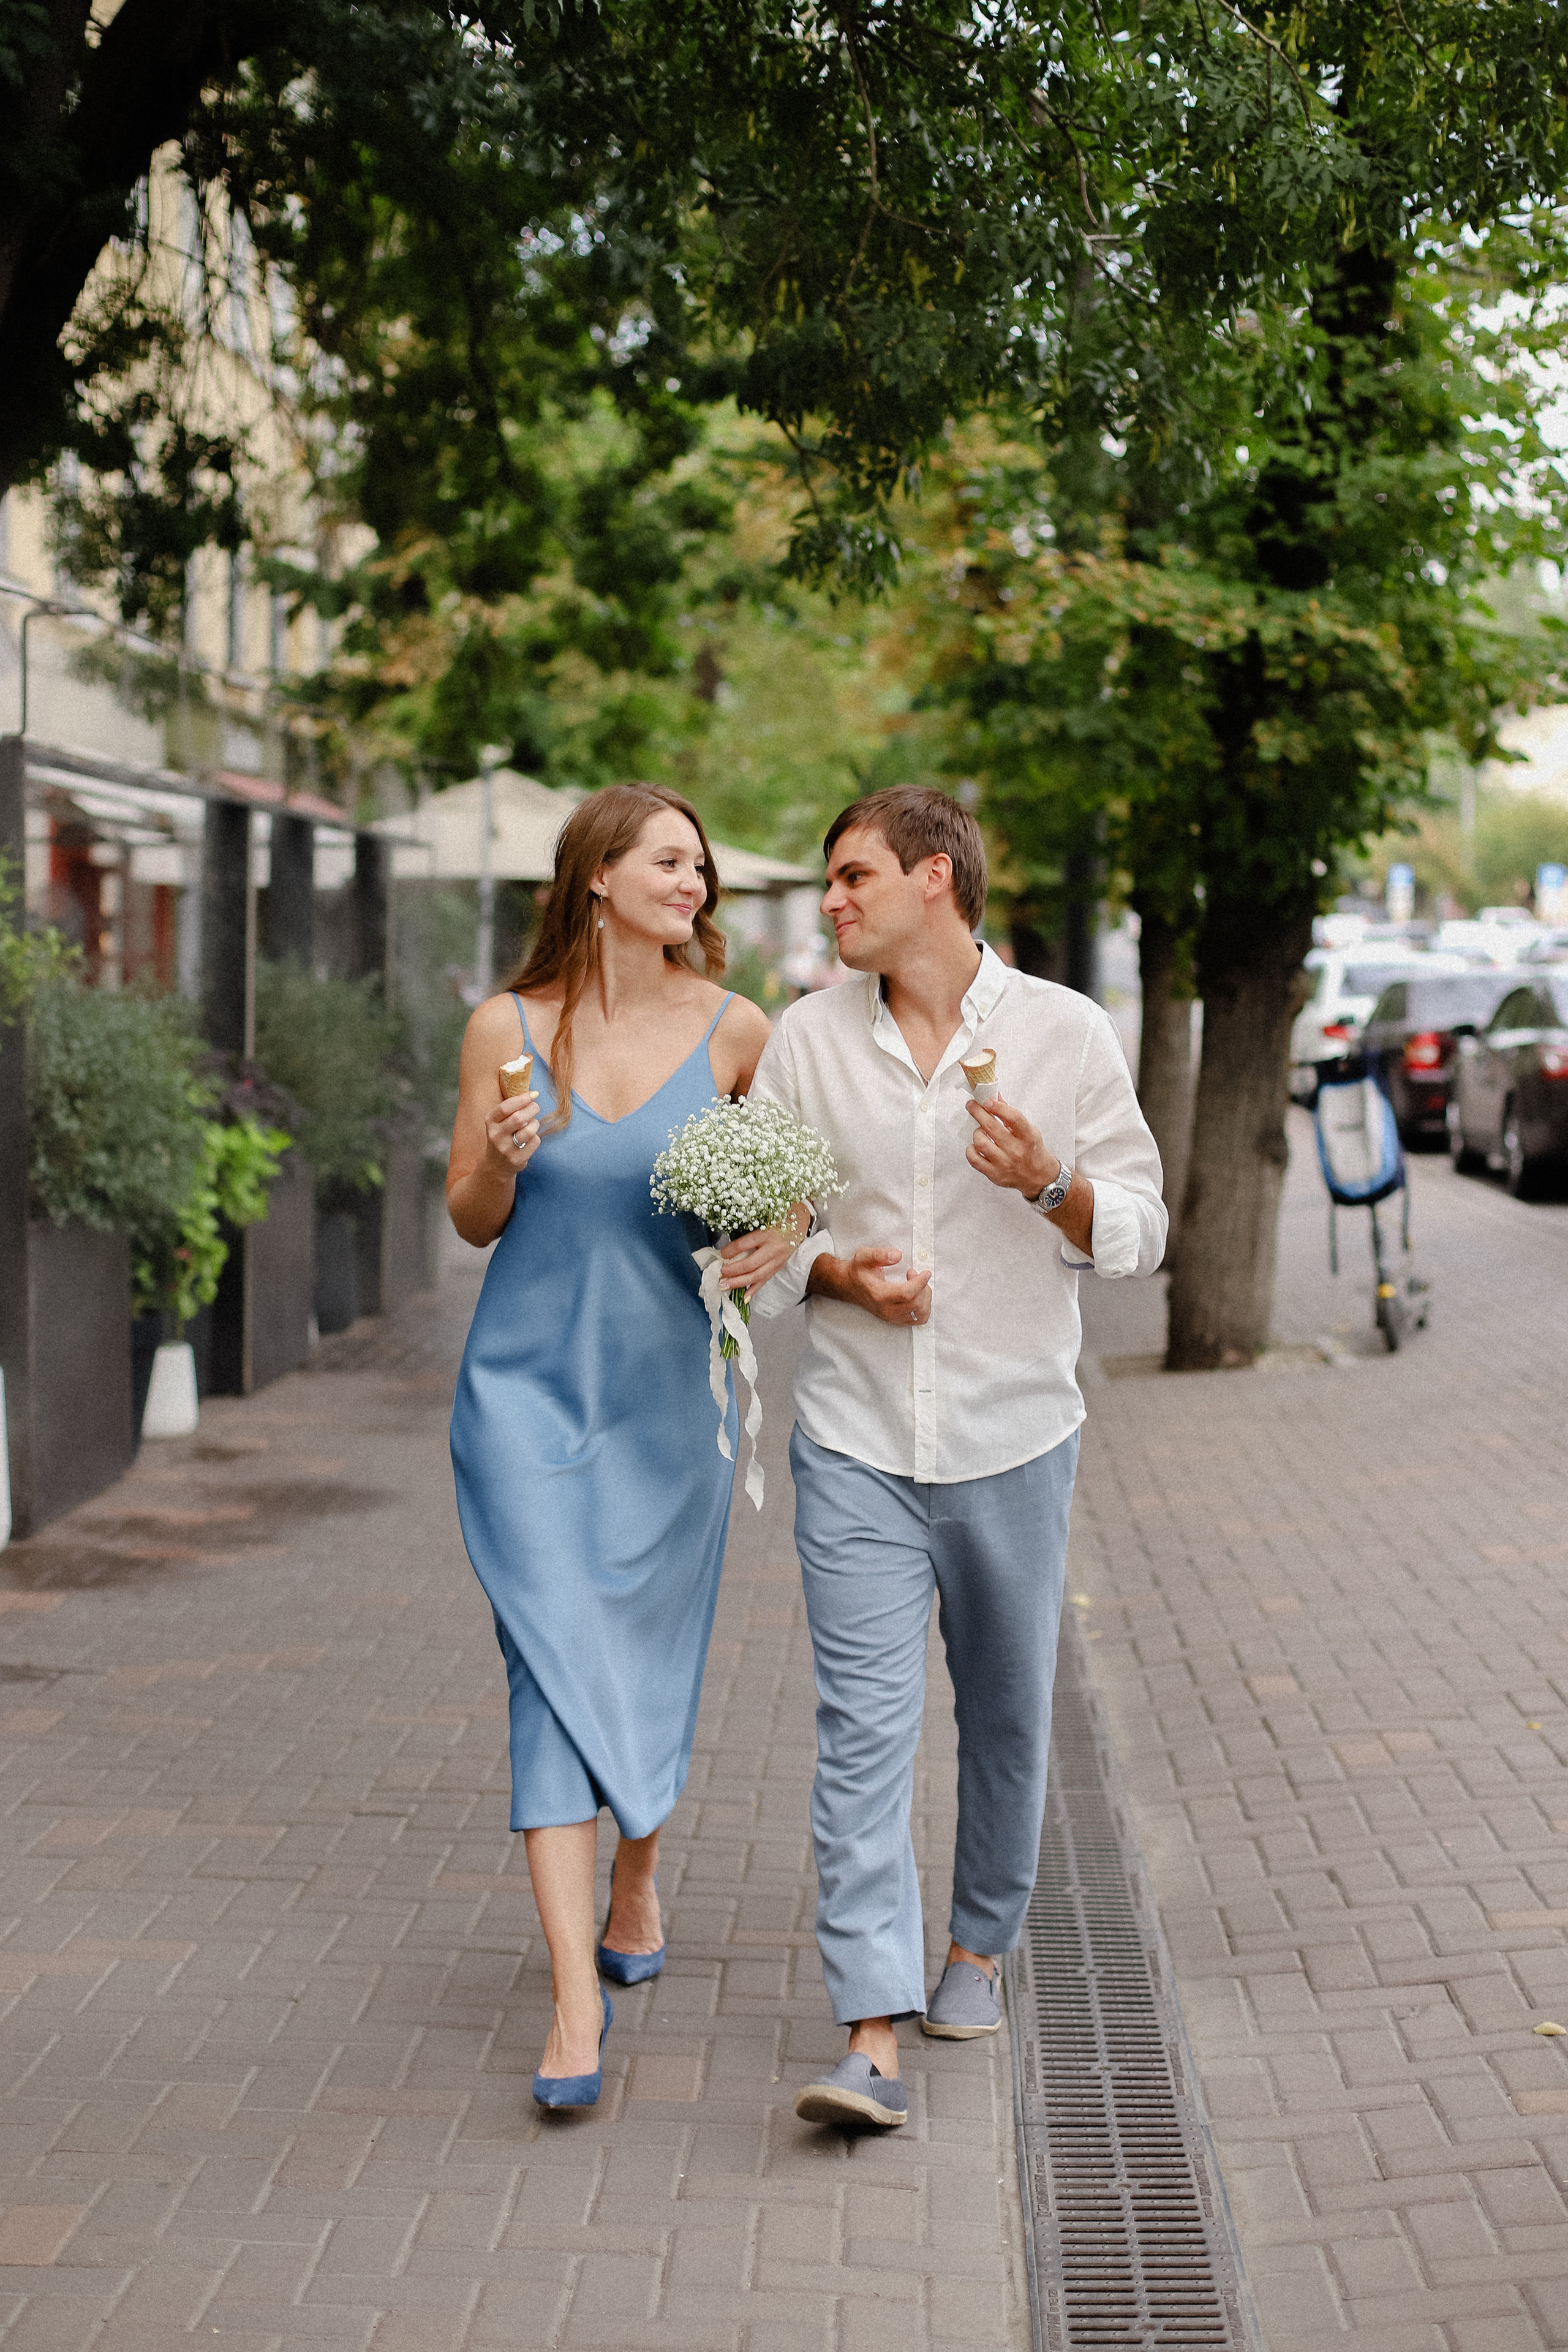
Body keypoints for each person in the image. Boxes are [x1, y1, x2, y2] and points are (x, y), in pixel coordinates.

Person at [749, 787, 1167, 2129]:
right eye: (829, 881)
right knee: (861, 1735)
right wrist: (834, 1275)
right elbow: (747, 1246)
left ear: (935, 878)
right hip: (855, 1440)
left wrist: (1050, 1182)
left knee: (1003, 1719)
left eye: (852, 876)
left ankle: (976, 1948)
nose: (832, 901)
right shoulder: (808, 1042)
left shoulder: (1063, 1032)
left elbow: (1142, 1231)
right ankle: (867, 2027)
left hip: (1010, 1435)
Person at [447, 783, 798, 2110]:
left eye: (700, 867)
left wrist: (786, 1231)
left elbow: (792, 1196)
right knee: (549, 1667)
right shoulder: (506, 1026)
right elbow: (474, 1217)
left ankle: (637, 1872)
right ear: (595, 874)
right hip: (523, 1404)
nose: (693, 884)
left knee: (645, 1656)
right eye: (669, 862)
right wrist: (497, 1148)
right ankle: (572, 2003)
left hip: (670, 1407)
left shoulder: (734, 1033)